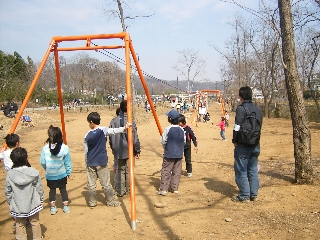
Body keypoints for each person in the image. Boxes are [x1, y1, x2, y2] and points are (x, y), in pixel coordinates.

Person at [84, 111, 131, 207]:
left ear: (92, 122)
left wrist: (86, 162)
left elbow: (86, 150)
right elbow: (114, 131)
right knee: (106, 183)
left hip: (90, 161)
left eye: (89, 122)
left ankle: (92, 202)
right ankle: (110, 201)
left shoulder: (87, 135)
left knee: (91, 184)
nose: (89, 124)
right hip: (101, 161)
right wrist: (124, 128)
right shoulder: (103, 130)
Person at [4, 147, 44, 240]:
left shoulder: (10, 174)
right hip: (33, 204)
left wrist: (10, 202)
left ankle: (21, 238)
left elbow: (7, 191)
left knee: (19, 224)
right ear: (26, 159)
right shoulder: (34, 172)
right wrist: (41, 199)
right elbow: (39, 188)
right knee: (35, 222)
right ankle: (37, 238)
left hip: (18, 205)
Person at [231, 86, 263, 203]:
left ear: (241, 97)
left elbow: (237, 126)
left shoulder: (241, 108)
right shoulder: (258, 110)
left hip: (243, 144)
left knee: (241, 170)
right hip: (255, 144)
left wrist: (234, 139)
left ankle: (244, 195)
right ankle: (254, 194)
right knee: (253, 170)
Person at [109, 100, 141, 197]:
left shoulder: (113, 121)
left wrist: (113, 148)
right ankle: (128, 188)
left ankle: (120, 190)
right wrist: (137, 150)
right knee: (128, 169)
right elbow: (134, 137)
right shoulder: (130, 122)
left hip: (118, 149)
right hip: (128, 149)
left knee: (120, 170)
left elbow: (110, 136)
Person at [40, 125, 72, 215]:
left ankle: (53, 208)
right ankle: (65, 206)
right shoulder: (65, 148)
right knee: (63, 190)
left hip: (50, 175)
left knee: (52, 191)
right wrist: (68, 172)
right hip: (61, 174)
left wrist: (48, 169)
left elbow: (42, 161)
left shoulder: (45, 148)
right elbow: (67, 162)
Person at [157, 109, 185, 196]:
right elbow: (184, 141)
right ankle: (174, 188)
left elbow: (163, 141)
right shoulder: (181, 129)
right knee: (177, 170)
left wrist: (166, 149)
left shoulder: (167, 129)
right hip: (179, 153)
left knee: (166, 170)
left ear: (170, 119)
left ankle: (164, 189)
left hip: (169, 153)